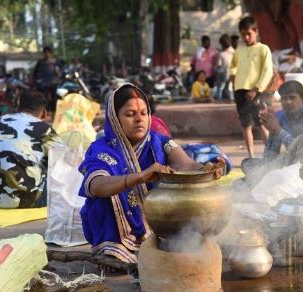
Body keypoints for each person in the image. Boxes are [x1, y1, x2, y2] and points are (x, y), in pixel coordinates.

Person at [78, 84, 224, 266]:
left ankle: (161, 242)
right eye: (130, 114)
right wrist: (141, 176)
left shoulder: (160, 142)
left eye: (144, 113)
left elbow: (186, 165)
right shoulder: (101, 149)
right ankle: (111, 253)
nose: (139, 119)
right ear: (115, 118)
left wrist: (205, 169)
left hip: (156, 221)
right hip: (113, 228)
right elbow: (96, 186)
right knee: (101, 201)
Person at [0, 90, 63, 209]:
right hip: (24, 200)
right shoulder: (42, 128)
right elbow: (66, 158)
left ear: (19, 107)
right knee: (59, 165)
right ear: (43, 112)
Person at [229, 16, 273, 158]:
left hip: (256, 91)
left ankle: (271, 154)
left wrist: (256, 89)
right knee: (245, 125)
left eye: (249, 34)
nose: (246, 37)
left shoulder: (263, 49)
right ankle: (251, 156)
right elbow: (233, 66)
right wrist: (232, 75)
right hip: (240, 91)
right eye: (243, 35)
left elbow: (268, 70)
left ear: (256, 32)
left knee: (261, 124)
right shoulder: (239, 50)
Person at [260, 80, 303, 160]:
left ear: (302, 99)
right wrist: (272, 132)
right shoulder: (280, 116)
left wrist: (278, 129)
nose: (288, 102)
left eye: (292, 98)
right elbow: (271, 155)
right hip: (292, 162)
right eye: (284, 98)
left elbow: (301, 151)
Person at [33, 46, 61, 113]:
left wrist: (58, 73)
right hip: (43, 84)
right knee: (44, 99)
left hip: (54, 83)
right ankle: (45, 112)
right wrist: (36, 80)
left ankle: (53, 113)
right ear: (43, 53)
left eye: (48, 53)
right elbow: (35, 73)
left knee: (54, 98)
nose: (47, 54)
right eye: (45, 53)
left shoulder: (55, 62)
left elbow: (59, 72)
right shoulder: (40, 62)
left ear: (50, 53)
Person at [216, 34, 235, 100]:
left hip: (224, 72)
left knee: (221, 86)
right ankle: (231, 98)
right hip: (231, 73)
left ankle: (219, 98)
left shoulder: (221, 54)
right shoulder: (233, 52)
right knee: (230, 87)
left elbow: (219, 65)